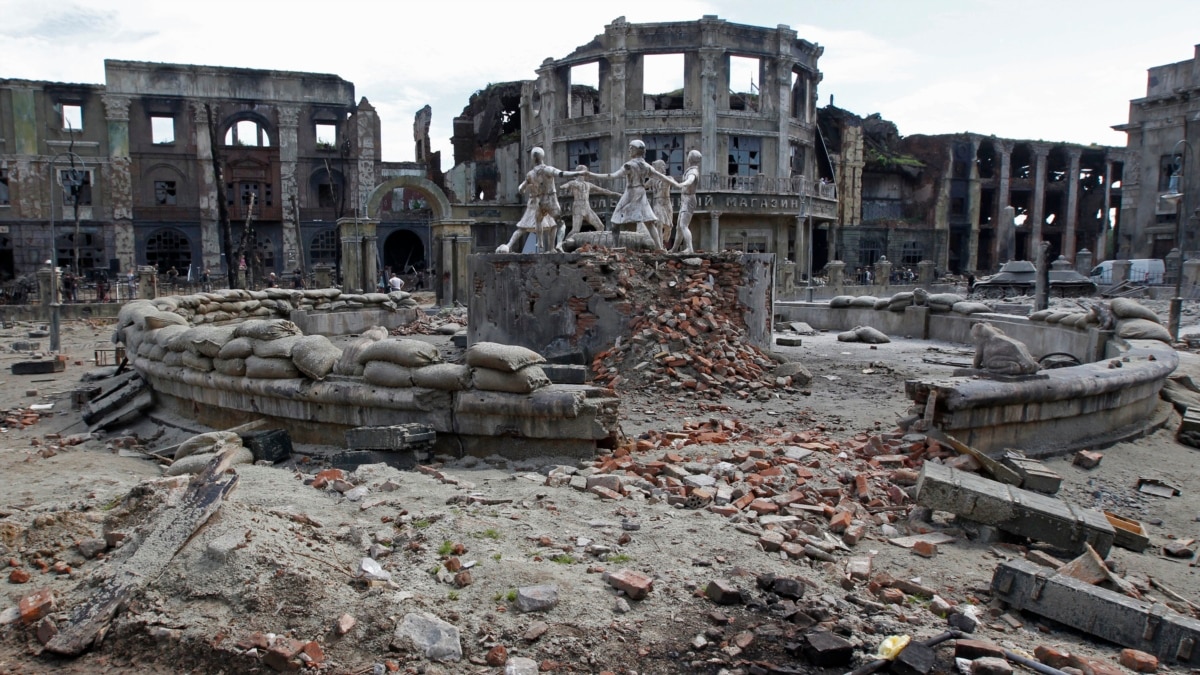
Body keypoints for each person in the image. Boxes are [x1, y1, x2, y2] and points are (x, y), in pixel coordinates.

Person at [499, 147, 583, 253]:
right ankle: (557, 245)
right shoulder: (547, 169)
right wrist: (577, 173)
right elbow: (562, 173)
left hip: (538, 202)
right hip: (550, 200)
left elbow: (521, 188)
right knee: (559, 223)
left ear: (533, 159)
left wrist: (523, 188)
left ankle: (540, 243)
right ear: (542, 157)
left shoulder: (530, 174)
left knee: (537, 224)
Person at [586, 140, 660, 250]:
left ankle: (615, 246)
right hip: (640, 191)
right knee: (649, 222)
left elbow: (612, 176)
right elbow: (661, 176)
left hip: (631, 193)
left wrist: (591, 174)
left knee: (615, 220)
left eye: (631, 148)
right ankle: (659, 247)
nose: (629, 150)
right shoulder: (647, 166)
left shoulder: (629, 165)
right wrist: (679, 184)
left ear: (636, 150)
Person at [649, 149, 701, 253]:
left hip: (688, 200)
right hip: (684, 199)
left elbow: (690, 179)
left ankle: (690, 249)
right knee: (679, 227)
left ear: (690, 158)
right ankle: (674, 249)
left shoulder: (693, 171)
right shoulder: (690, 169)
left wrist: (682, 184)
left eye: (688, 156)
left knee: (683, 226)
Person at [558, 166, 620, 240]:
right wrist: (563, 186)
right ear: (580, 172)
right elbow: (566, 185)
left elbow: (602, 190)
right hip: (578, 208)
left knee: (600, 226)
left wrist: (615, 194)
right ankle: (563, 244)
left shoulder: (588, 184)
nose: (587, 173)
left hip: (587, 208)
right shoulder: (574, 183)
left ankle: (597, 243)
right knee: (575, 230)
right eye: (585, 171)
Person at [647, 159, 674, 250]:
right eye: (662, 166)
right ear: (657, 168)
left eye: (664, 166)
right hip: (657, 202)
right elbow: (642, 186)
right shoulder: (652, 180)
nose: (664, 168)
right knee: (659, 223)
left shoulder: (669, 178)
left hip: (666, 203)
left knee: (668, 226)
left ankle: (663, 240)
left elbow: (677, 184)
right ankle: (659, 246)